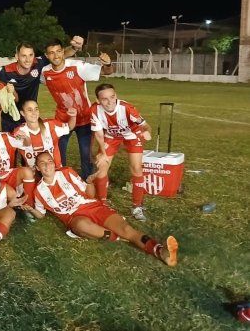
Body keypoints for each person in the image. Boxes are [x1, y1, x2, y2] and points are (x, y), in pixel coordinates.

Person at [31, 152, 178, 267]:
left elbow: (90, 195)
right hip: (75, 217)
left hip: (94, 207)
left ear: (54, 163)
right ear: (37, 168)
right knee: (81, 225)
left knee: (126, 229)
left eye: (49, 161)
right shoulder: (38, 191)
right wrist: (29, 209)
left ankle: (161, 251)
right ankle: (117, 237)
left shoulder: (66, 172)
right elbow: (41, 214)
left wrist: (89, 182)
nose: (47, 165)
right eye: (42, 163)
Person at [41, 38, 114, 179]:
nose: (55, 56)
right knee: (58, 151)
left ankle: (86, 181)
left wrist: (108, 64)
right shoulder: (45, 72)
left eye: (58, 51)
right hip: (62, 119)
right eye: (51, 53)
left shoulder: (77, 66)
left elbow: (107, 72)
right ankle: (61, 178)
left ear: (63, 52)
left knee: (85, 153)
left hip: (84, 118)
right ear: (46, 56)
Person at [90, 83, 152, 221]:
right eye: (105, 99)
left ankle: (137, 206)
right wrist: (103, 153)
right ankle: (102, 203)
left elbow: (145, 125)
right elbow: (99, 134)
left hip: (131, 135)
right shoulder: (95, 110)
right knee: (101, 166)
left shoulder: (127, 108)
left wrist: (147, 131)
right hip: (111, 137)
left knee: (136, 168)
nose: (110, 101)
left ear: (116, 96)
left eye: (112, 97)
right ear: (98, 100)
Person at [0, 38, 83, 132]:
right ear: (16, 56)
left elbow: (60, 55)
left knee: (32, 145)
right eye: (23, 56)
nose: (28, 60)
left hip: (31, 117)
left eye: (31, 55)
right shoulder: (5, 71)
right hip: (9, 120)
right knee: (11, 145)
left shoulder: (38, 63)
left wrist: (74, 48)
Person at [12, 99, 75, 171]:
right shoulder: (19, 131)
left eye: (36, 109)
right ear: (22, 113)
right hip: (33, 173)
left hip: (55, 170)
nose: (34, 113)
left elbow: (69, 127)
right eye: (30, 110)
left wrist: (73, 116)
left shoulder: (50, 125)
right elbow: (26, 144)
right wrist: (26, 137)